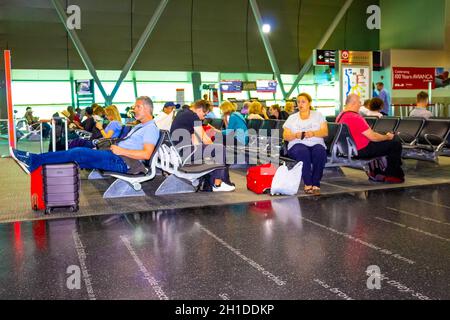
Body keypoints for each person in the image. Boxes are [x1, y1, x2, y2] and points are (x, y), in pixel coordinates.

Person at [11, 96, 160, 176]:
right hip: (115, 155)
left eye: (138, 106)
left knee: (79, 153)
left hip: (122, 161)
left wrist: (121, 151)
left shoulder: (151, 128)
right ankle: (36, 162)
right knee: (76, 155)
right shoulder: (140, 126)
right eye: (134, 106)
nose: (134, 109)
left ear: (148, 108)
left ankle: (33, 161)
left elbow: (146, 154)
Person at [170, 100, 235, 192]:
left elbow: (196, 139)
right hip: (185, 152)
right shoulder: (193, 116)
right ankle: (218, 184)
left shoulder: (182, 112)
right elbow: (204, 139)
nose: (203, 118)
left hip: (179, 151)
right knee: (220, 149)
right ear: (200, 110)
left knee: (214, 151)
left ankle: (215, 182)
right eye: (204, 115)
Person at [337, 94, 404, 183]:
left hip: (347, 149)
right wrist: (387, 137)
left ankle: (375, 172)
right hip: (361, 150)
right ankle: (393, 175)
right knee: (395, 144)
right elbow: (373, 137)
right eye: (359, 102)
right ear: (353, 103)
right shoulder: (356, 117)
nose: (360, 105)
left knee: (380, 144)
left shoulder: (341, 116)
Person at [283, 93, 328, 195]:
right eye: (298, 102)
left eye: (303, 101)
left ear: (309, 103)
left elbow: (325, 132)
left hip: (316, 143)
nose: (300, 104)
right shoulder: (292, 118)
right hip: (297, 144)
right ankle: (308, 183)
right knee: (303, 151)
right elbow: (285, 136)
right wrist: (295, 135)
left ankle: (316, 183)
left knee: (319, 151)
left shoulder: (318, 115)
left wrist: (313, 133)